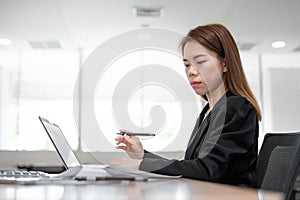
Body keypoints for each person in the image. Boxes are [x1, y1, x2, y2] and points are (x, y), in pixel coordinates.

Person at [114, 23, 261, 187]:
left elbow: (208, 170)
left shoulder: (237, 108)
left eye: (200, 61)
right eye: (186, 65)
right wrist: (142, 155)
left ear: (225, 64)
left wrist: (143, 165)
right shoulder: (207, 112)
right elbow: (193, 167)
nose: (191, 71)